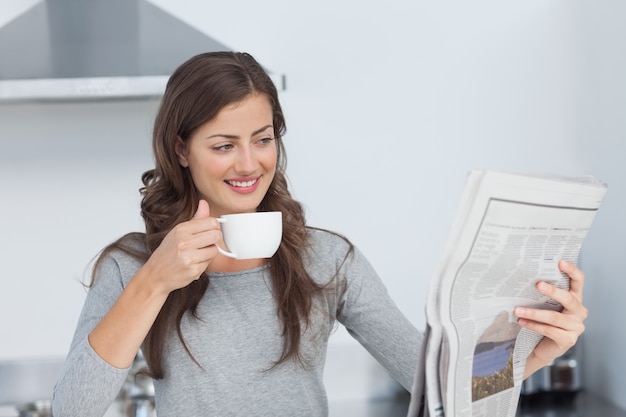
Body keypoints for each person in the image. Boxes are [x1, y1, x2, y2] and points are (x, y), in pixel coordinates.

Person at [51, 51, 589, 417]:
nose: (248, 163)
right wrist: (154, 282)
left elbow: (436, 384)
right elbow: (71, 409)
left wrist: (533, 356)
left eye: (262, 139)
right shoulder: (132, 266)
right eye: (222, 145)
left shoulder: (328, 259)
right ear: (179, 150)